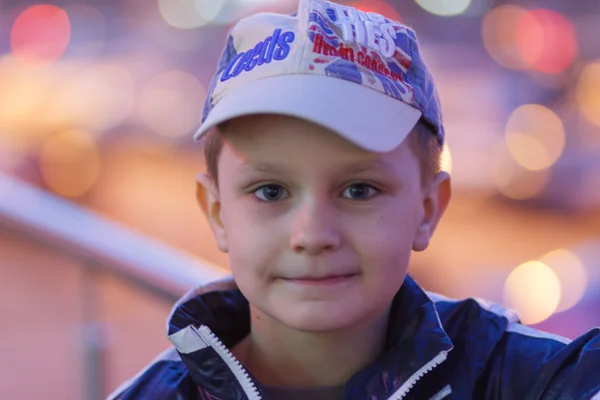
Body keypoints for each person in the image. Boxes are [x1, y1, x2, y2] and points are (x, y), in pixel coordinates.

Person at [108, 0, 600, 398]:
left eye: (359, 190)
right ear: (217, 212)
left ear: (428, 209)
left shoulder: (524, 377)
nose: (313, 234)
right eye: (270, 191)